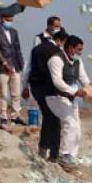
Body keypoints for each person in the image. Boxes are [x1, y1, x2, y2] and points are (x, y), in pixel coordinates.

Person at [46, 35, 92, 170]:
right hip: (55, 97)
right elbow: (57, 82)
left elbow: (84, 79)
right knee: (69, 124)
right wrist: (74, 91)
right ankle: (63, 155)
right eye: (78, 49)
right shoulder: (56, 60)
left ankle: (71, 156)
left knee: (77, 128)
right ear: (70, 48)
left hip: (71, 99)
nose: (80, 52)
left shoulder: (77, 61)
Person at [29, 30, 68, 161]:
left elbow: (28, 68)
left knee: (48, 117)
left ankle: (43, 148)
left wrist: (25, 86)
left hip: (36, 87)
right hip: (49, 89)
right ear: (60, 41)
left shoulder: (36, 49)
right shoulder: (57, 53)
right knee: (55, 119)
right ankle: (54, 154)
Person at [0, 14, 26, 129]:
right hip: (2, 67)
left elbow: (17, 49)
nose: (10, 22)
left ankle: (15, 115)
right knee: (3, 93)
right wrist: (5, 63)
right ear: (2, 18)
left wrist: (21, 64)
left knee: (16, 92)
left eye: (11, 20)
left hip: (15, 65)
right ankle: (3, 115)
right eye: (8, 20)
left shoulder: (14, 32)